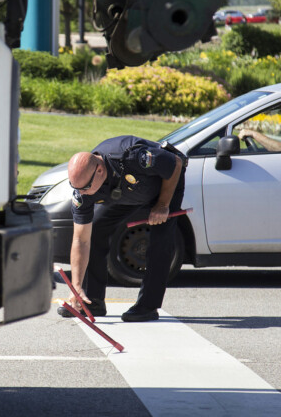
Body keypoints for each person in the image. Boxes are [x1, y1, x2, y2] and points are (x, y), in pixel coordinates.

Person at [56, 135, 186, 322]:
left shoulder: (132, 157)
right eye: (77, 188)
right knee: (97, 229)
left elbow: (175, 163)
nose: (81, 193)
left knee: (160, 240)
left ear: (99, 170)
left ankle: (148, 306)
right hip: (125, 191)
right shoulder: (84, 189)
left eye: (85, 187)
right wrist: (76, 285)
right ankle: (91, 301)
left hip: (162, 185)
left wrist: (163, 205)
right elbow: (80, 239)